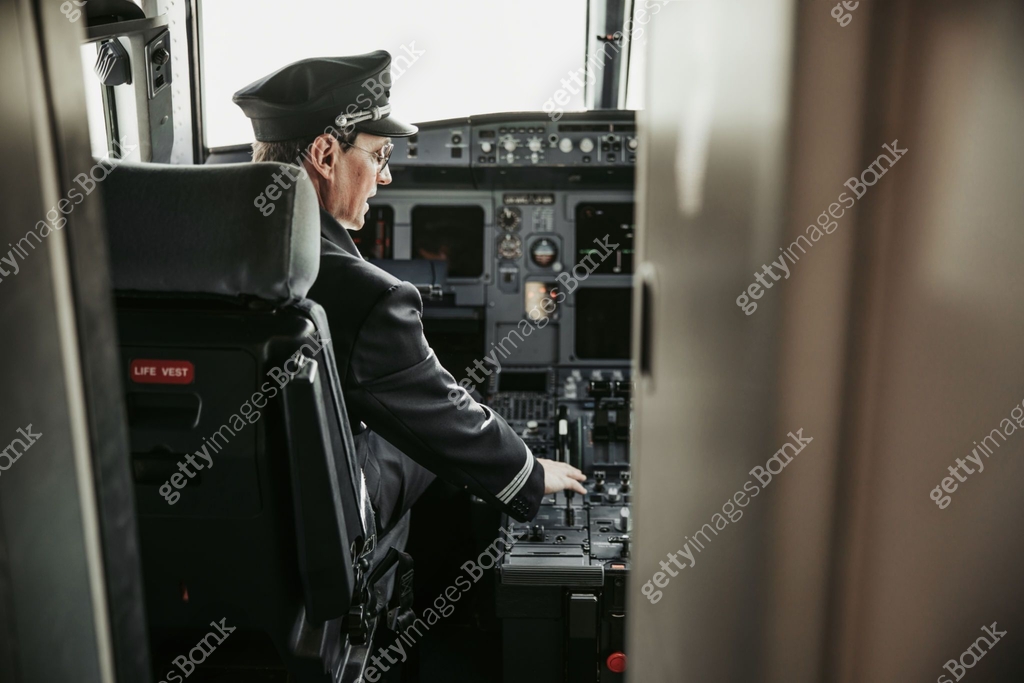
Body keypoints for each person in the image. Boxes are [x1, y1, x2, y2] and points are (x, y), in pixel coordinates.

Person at [233, 52, 586, 540]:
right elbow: (441, 417)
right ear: (324, 155)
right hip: (316, 527)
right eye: (379, 155)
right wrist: (527, 471)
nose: (386, 177)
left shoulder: (192, 249)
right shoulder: (367, 295)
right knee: (436, 427)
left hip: (217, 511)